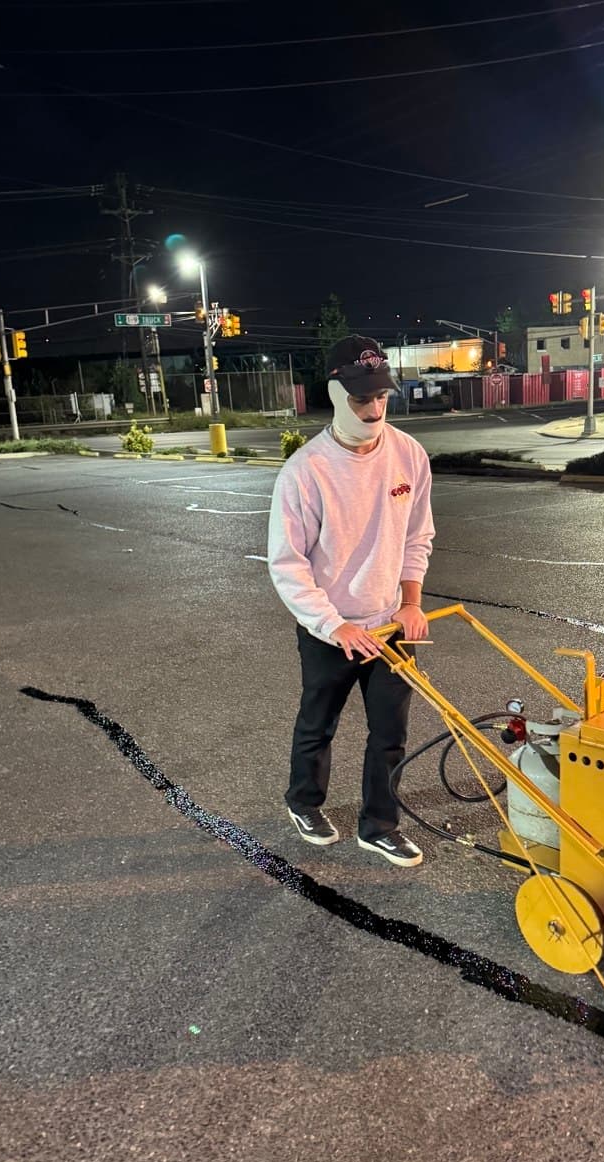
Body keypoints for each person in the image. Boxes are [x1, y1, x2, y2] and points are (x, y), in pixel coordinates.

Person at [267, 335, 435, 867]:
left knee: (391, 731)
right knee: (319, 722)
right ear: (335, 391)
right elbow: (288, 563)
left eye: (382, 397)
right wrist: (331, 625)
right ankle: (305, 801)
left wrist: (411, 603)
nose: (374, 408)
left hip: (390, 623)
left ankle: (380, 825)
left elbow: (417, 536)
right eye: (362, 398)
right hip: (330, 627)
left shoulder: (409, 455)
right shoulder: (306, 471)